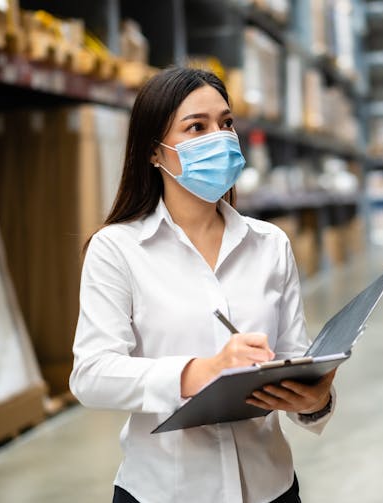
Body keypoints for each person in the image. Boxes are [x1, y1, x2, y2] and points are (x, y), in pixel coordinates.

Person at [69, 67, 337, 503]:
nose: (220, 137)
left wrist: (314, 402)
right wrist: (203, 372)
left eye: (226, 123)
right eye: (197, 127)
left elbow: (292, 360)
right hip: (165, 490)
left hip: (270, 487)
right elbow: (92, 374)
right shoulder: (116, 249)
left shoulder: (270, 244)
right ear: (154, 152)